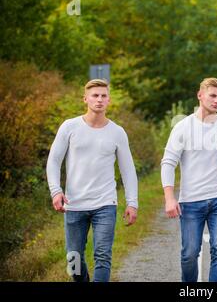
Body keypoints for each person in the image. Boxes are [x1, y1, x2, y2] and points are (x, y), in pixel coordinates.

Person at [46, 79, 138, 282]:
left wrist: (132, 203)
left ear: (109, 100)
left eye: (103, 96)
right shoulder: (70, 127)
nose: (99, 99)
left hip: (105, 204)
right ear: (85, 99)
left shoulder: (117, 132)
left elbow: (128, 170)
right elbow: (53, 161)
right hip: (74, 203)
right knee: (73, 260)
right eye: (95, 95)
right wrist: (55, 190)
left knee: (102, 256)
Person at [161, 77, 217, 282]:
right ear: (200, 95)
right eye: (212, 95)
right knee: (189, 254)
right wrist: (169, 198)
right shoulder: (183, 127)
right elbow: (168, 162)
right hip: (191, 201)